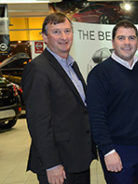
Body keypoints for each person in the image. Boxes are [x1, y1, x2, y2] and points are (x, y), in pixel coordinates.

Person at [86, 20, 138, 184]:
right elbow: (96, 117)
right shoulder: (100, 74)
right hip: (117, 150)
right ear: (113, 42)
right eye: (121, 38)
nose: (127, 43)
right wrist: (108, 151)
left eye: (132, 38)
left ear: (137, 41)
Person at [22, 13, 96, 184]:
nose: (64, 37)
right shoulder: (38, 69)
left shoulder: (71, 64)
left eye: (67, 31)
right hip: (59, 164)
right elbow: (39, 122)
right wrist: (52, 164)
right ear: (45, 37)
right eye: (56, 32)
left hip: (78, 159)